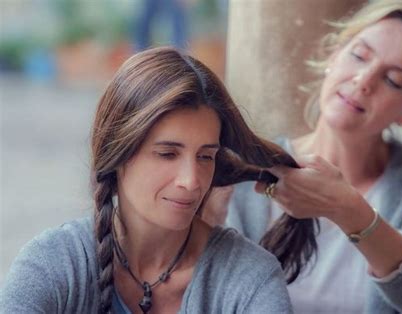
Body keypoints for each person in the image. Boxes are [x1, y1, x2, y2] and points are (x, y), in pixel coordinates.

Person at [0, 47, 302, 313]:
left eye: (205, 156)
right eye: (167, 154)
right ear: (117, 153)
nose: (191, 181)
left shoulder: (249, 277)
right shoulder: (55, 263)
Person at [221, 1, 402, 313]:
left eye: (393, 80)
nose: (364, 81)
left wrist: (348, 209)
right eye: (359, 56)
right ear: (334, 55)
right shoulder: (250, 167)